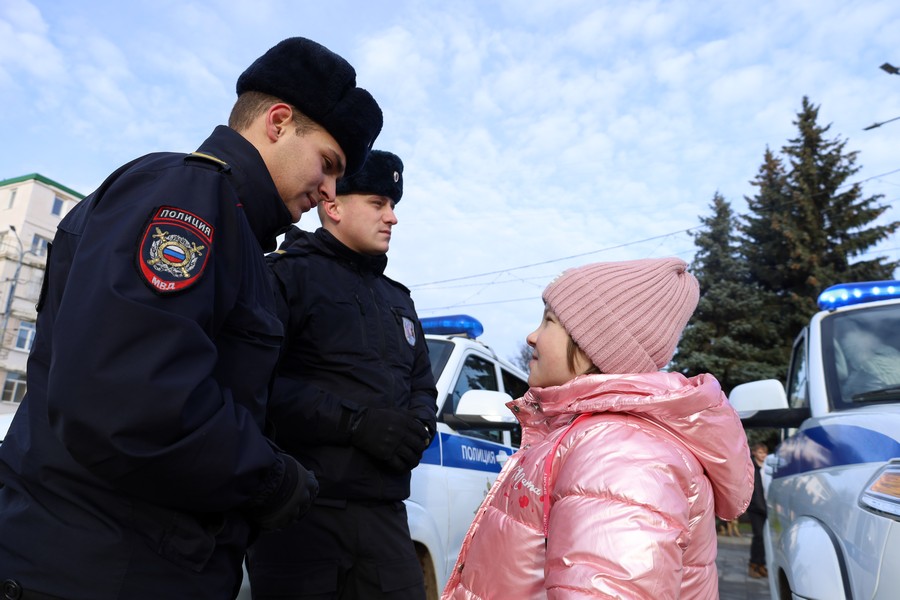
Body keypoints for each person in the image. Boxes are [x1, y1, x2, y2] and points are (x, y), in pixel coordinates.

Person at [0, 37, 382, 600]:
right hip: (98, 572)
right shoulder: (190, 197)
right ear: (278, 122)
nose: (329, 191)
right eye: (328, 165)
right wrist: (270, 479)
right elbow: (130, 398)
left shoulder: (236, 225)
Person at [442, 258, 755, 599]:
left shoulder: (622, 454)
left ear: (596, 344)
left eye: (549, 321)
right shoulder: (598, 438)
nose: (532, 336)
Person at [247, 150, 438, 599]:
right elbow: (255, 385)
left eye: (394, 206)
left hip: (386, 519)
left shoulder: (399, 300)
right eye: (378, 203)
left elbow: (422, 386)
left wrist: (418, 427)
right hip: (301, 517)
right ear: (332, 206)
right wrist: (354, 422)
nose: (392, 217)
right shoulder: (286, 278)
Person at [748, 442, 769, 578]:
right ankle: (753, 565)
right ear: (754, 453)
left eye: (765, 453)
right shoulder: (751, 467)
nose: (763, 456)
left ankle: (762, 564)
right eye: (760, 453)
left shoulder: (768, 468)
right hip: (756, 508)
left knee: (765, 538)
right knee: (759, 536)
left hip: (767, 507)